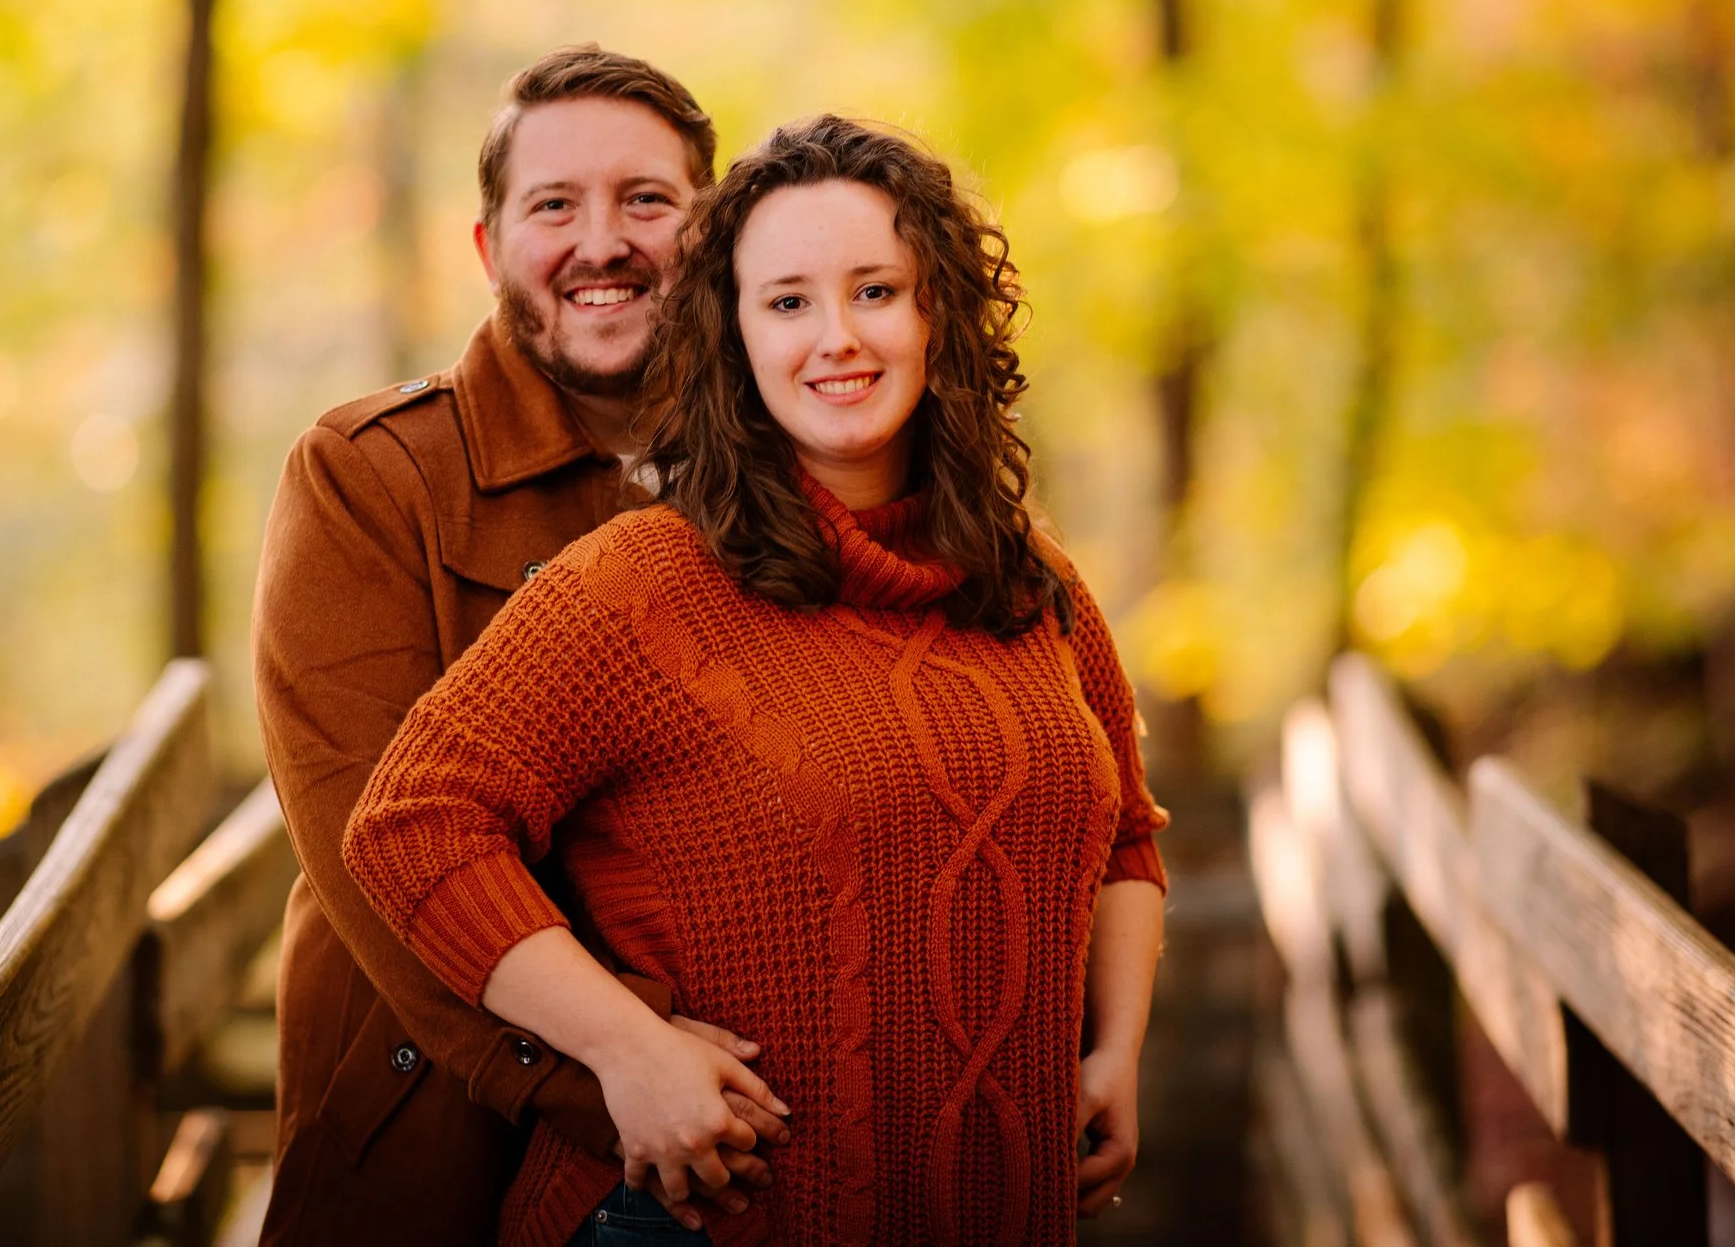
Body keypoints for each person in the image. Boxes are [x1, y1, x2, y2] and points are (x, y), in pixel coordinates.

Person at [342, 114, 1170, 1246]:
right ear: (732, 337)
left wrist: (1114, 1049)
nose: (836, 336)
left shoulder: (1032, 580)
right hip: (707, 1219)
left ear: (939, 316)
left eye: (875, 290)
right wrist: (626, 1047)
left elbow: (1125, 832)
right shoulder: (641, 583)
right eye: (786, 301)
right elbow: (409, 823)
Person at [253, 46, 785, 1244]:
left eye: (646, 200)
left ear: (710, 237)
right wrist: (613, 1062)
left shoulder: (791, 473)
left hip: (749, 1121)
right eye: (554, 205)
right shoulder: (371, 478)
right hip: (437, 1121)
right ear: (492, 249)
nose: (601, 242)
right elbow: (368, 845)